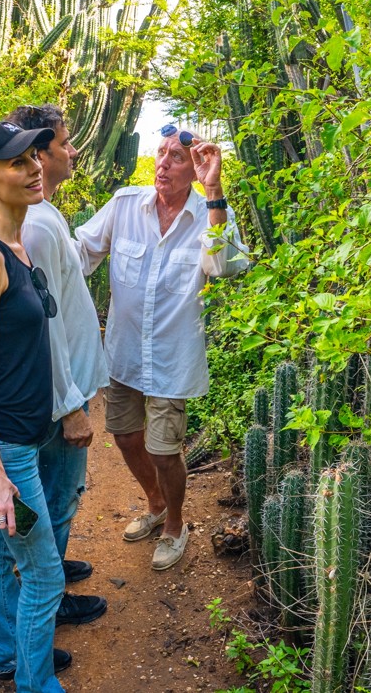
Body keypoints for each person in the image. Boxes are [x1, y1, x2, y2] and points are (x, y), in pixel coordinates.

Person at [75, 125, 250, 571]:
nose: (164, 163)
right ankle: (154, 504)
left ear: (196, 169)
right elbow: (81, 254)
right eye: (162, 153)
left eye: (177, 157)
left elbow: (227, 266)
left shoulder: (209, 212)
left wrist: (214, 192)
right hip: (124, 354)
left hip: (172, 358)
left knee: (163, 450)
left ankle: (175, 523)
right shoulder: (125, 205)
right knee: (126, 437)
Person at [0, 120, 72, 692]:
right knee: (45, 577)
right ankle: (35, 682)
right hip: (5, 452)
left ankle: (10, 656)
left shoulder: (19, 245)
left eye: (33, 156)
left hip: (23, 437)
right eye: (16, 161)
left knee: (4, 557)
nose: (33, 168)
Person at [4, 104, 110, 627]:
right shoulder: (39, 227)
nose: (73, 151)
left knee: (56, 489)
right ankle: (48, 594)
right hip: (57, 394)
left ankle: (53, 568)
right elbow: (45, 325)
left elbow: (70, 275)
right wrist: (71, 406)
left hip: (67, 385)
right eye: (65, 143)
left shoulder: (46, 217)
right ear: (39, 154)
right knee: (58, 493)